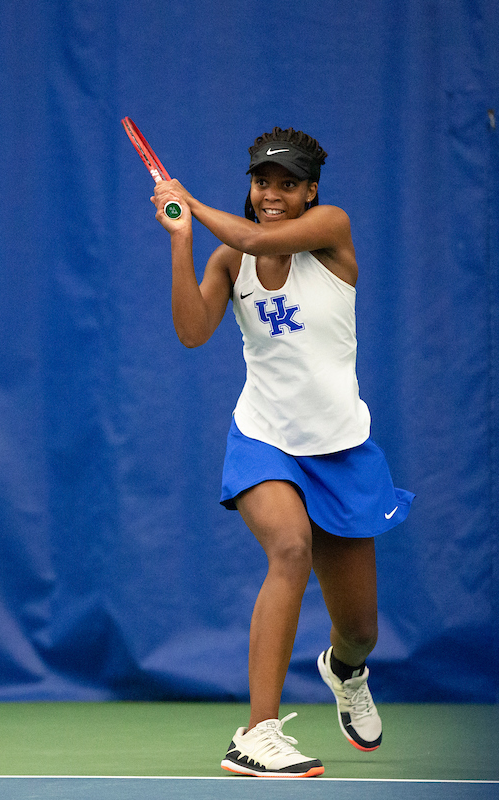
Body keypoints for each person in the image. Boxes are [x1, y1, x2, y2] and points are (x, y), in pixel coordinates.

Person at [149, 126, 414, 777]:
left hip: (340, 450)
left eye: (286, 183)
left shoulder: (330, 229)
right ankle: (257, 734)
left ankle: (344, 669)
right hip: (265, 440)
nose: (271, 194)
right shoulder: (227, 260)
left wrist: (192, 204)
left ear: (310, 192)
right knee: (290, 548)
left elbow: (256, 237)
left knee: (360, 629)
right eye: (262, 181)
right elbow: (191, 331)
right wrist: (183, 242)